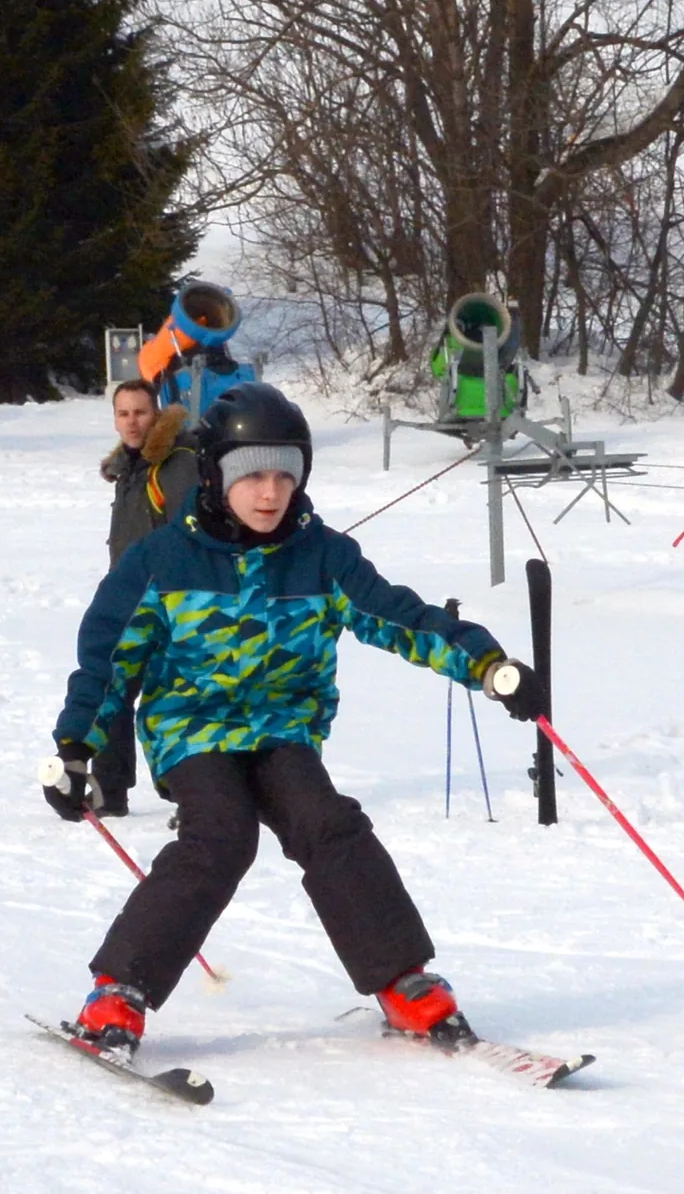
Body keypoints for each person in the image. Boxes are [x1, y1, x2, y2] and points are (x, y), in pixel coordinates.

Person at [43, 383, 546, 1053]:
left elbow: (398, 618)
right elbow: (108, 659)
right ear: (218, 476)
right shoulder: (162, 561)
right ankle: (118, 990)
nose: (270, 493)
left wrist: (486, 666)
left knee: (327, 823)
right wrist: (77, 746)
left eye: (286, 475)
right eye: (251, 475)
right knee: (221, 837)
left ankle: (404, 981)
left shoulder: (321, 555)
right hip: (193, 730)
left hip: (282, 728)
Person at [92, 379, 199, 817]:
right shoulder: (130, 468)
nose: (132, 422)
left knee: (168, 703)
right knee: (111, 691)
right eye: (123, 414)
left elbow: (188, 535)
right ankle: (108, 792)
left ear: (156, 415)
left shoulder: (175, 464)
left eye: (140, 412)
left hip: (169, 606)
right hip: (129, 602)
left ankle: (192, 797)